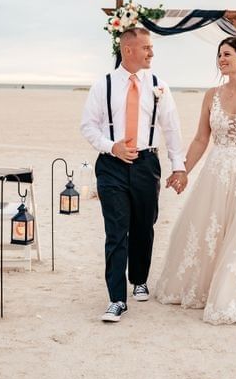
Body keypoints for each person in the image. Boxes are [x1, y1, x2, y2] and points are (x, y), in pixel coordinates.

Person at [155, 35, 236, 326]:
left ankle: (233, 297)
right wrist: (181, 169)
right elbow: (200, 138)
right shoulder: (211, 95)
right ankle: (207, 287)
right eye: (219, 55)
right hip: (216, 171)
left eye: (227, 55)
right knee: (208, 228)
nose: (221, 60)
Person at [80, 27, 187, 322]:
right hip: (111, 166)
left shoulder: (159, 85)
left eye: (151, 48)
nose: (151, 53)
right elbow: (88, 125)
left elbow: (171, 127)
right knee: (116, 231)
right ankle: (116, 298)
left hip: (146, 164)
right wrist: (110, 146)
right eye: (146, 48)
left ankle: (139, 278)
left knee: (144, 225)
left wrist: (178, 165)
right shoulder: (103, 85)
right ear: (128, 50)